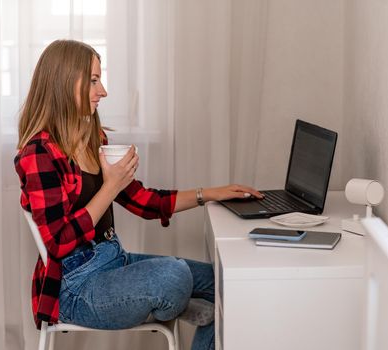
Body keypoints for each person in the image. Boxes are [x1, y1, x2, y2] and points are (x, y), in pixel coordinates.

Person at [14, 39, 262, 350]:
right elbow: (59, 241)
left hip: (114, 260)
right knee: (173, 277)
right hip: (75, 287)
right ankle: (180, 301)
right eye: (93, 80)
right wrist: (110, 186)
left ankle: (182, 303)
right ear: (65, 82)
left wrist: (211, 193)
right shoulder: (38, 153)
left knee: (223, 283)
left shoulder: (93, 138)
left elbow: (146, 202)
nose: (102, 91)